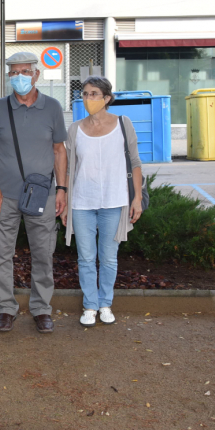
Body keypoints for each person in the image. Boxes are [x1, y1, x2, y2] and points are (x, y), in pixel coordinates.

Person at [0, 51, 68, 334]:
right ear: (8, 77)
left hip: (41, 195)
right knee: (1, 254)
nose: (19, 77)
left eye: (25, 72)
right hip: (4, 196)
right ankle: (6, 308)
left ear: (36, 75)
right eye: (14, 72)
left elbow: (59, 151)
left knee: (43, 253)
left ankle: (42, 309)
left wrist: (62, 190)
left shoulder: (53, 107)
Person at [60, 76, 143, 327]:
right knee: (86, 258)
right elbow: (68, 169)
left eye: (94, 94)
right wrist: (64, 198)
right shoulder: (74, 129)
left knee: (108, 258)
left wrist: (137, 198)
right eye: (85, 93)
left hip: (115, 202)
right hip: (82, 203)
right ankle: (90, 305)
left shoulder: (123, 124)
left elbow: (136, 163)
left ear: (107, 98)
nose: (88, 98)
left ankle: (105, 303)